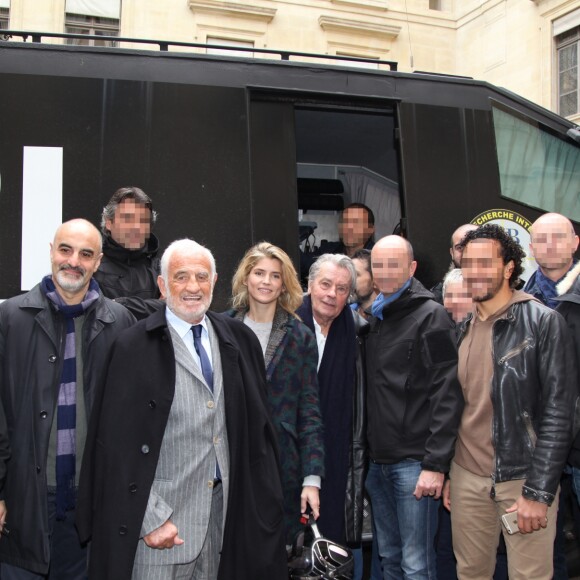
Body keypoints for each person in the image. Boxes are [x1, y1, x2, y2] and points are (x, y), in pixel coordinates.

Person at [77, 239, 287, 580]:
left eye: (202, 276)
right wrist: (150, 519)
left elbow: (260, 439)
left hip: (224, 530)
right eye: (181, 277)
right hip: (159, 534)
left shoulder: (239, 341)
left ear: (215, 281)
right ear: (162, 285)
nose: (193, 287)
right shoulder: (132, 347)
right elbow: (113, 448)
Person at [0, 219, 136, 578]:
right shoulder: (10, 317)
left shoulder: (119, 322)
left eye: (86, 254)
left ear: (98, 261)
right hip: (24, 499)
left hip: (91, 502)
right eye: (66, 250)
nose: (74, 261)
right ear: (51, 252)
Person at [445, 224, 577, 579]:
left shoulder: (543, 322)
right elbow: (460, 408)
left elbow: (559, 415)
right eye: (468, 263)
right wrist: (449, 475)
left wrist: (539, 491)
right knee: (470, 574)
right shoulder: (462, 327)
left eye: (485, 262)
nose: (475, 271)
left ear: (508, 268)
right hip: (466, 477)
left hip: (522, 479)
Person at [365, 235, 463, 580]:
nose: (386, 271)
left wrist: (435, 465)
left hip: (414, 465)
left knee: (416, 565)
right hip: (377, 465)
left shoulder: (431, 315)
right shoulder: (376, 316)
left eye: (394, 264)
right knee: (389, 560)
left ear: (412, 268)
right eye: (379, 264)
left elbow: (447, 392)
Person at [228, 242, 324, 543]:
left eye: (274, 276)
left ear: (284, 285)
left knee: (278, 555)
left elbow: (309, 411)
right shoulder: (223, 328)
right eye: (259, 273)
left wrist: (312, 479)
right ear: (246, 277)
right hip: (231, 461)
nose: (266, 282)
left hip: (283, 465)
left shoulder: (300, 337)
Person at [296, 254, 368, 547]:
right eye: (325, 284)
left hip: (336, 457)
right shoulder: (284, 321)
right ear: (310, 284)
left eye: (341, 289)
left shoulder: (357, 330)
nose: (331, 294)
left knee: (328, 545)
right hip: (287, 455)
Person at [525, 212, 579, 579]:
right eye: (541, 239)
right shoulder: (519, 300)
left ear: (575, 243)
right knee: (549, 548)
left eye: (558, 237)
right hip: (539, 449)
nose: (549, 246)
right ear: (531, 249)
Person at [94, 186, 161, 300]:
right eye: (127, 219)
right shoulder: (92, 267)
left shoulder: (162, 271)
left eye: (143, 220)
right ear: (109, 222)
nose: (136, 227)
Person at [301, 203, 375, 282]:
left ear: (370, 230)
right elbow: (302, 264)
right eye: (345, 222)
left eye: (356, 222)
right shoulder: (329, 250)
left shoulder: (376, 257)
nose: (349, 227)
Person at [431, 223, 478, 303]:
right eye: (460, 248)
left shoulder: (502, 291)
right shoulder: (437, 299)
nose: (467, 253)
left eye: (474, 246)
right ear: (452, 253)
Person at [350, 248, 379, 319]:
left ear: (375, 279)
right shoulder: (346, 313)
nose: (349, 280)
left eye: (356, 274)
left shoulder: (387, 316)